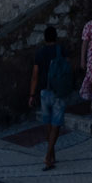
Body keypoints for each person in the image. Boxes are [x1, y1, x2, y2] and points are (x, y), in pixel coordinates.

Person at [27, 23, 71, 170]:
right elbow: (68, 68)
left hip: (44, 92)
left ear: (45, 38)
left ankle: (51, 155)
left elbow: (35, 76)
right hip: (58, 91)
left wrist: (31, 95)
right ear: (55, 37)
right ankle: (48, 156)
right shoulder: (61, 50)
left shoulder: (40, 53)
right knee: (56, 125)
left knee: (48, 124)